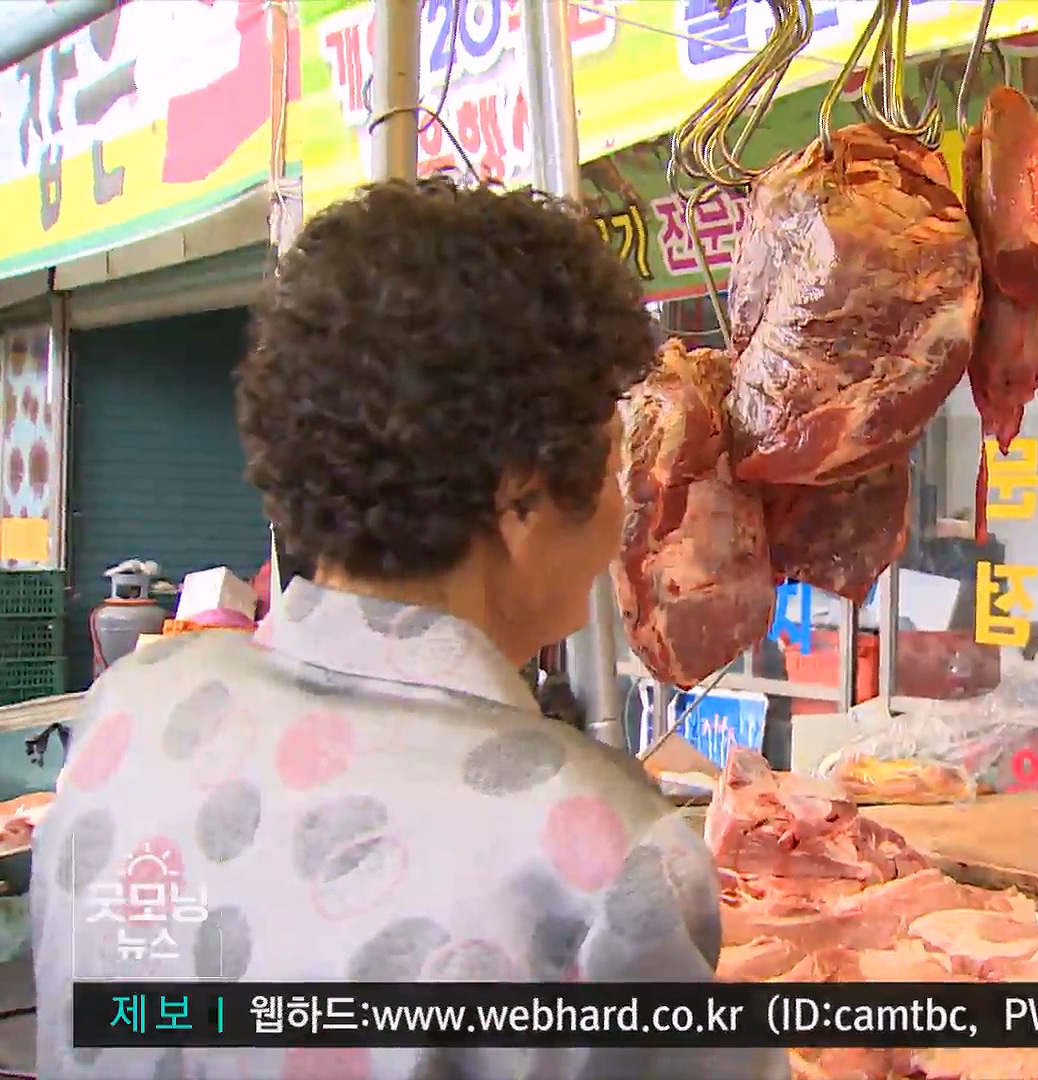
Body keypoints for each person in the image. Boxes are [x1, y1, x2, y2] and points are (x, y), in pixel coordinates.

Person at [32, 178, 790, 1080]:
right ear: (521, 494)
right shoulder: (594, 859)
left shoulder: (131, 713)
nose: (623, 508)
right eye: (613, 466)